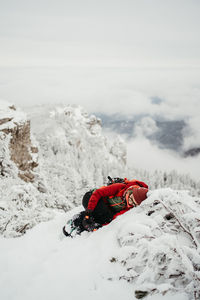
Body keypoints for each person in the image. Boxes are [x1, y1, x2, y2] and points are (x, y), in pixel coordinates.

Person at [81, 178, 148, 232]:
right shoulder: (120, 187)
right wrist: (89, 209)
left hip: (104, 208)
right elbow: (98, 193)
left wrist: (102, 226)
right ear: (130, 191)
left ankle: (86, 224)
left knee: (106, 218)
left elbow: (114, 218)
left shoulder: (128, 207)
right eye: (131, 199)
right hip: (91, 197)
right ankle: (81, 220)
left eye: (133, 203)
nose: (129, 202)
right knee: (101, 213)